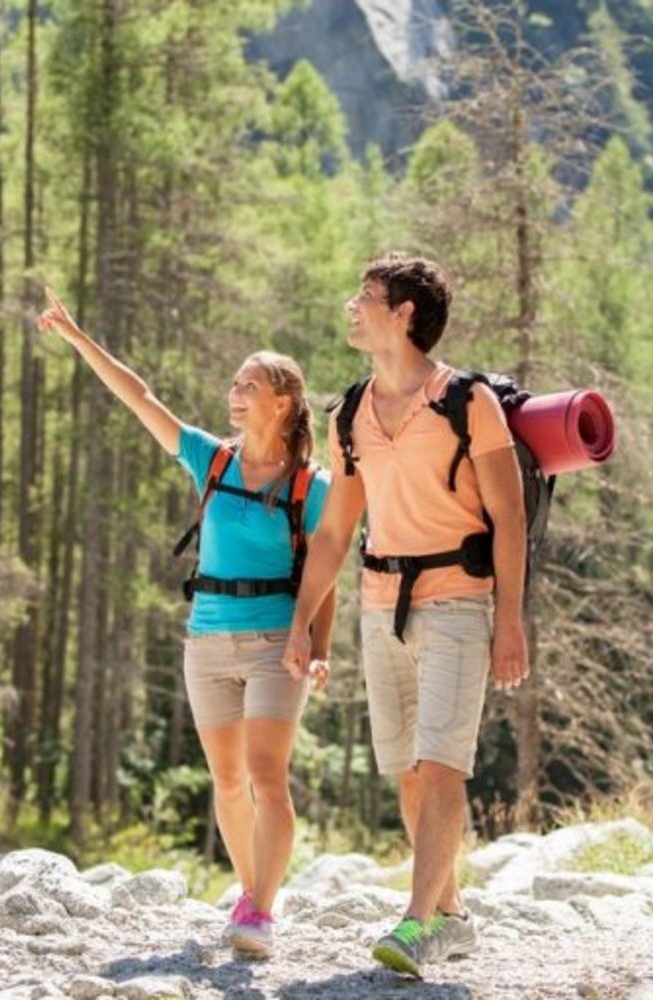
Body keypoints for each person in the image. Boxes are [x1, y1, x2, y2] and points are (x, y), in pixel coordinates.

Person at [36, 288, 336, 960]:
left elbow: (326, 573)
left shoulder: (310, 486)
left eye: (248, 385)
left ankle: (259, 909)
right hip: (206, 640)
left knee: (266, 775)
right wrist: (79, 338)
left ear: (283, 402)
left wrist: (318, 647)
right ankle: (250, 894)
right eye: (233, 383)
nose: (234, 394)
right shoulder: (214, 459)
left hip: (273, 644)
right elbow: (139, 398)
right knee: (227, 781)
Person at [280, 254, 529, 977]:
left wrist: (509, 619)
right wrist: (302, 620)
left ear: (405, 314)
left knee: (442, 763)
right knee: (409, 772)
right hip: (380, 603)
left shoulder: (467, 401)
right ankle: (450, 916)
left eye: (366, 297)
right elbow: (333, 532)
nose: (351, 306)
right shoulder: (349, 413)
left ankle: (417, 921)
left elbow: (509, 516)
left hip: (458, 601)